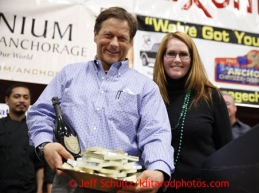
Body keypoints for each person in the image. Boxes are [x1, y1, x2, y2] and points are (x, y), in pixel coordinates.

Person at [26, 6, 174, 193]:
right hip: (68, 184)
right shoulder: (68, 75)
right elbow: (41, 113)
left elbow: (156, 134)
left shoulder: (146, 88)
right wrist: (45, 144)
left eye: (122, 38)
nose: (114, 43)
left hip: (122, 188)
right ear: (95, 34)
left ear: (130, 42)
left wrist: (159, 170)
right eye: (108, 35)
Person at [153, 31, 233, 192]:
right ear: (162, 58)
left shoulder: (210, 96)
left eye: (183, 54)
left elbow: (227, 152)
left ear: (192, 59)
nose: (177, 60)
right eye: (171, 54)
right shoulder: (150, 95)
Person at [0, 83, 45, 193]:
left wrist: (39, 190)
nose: (22, 100)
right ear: (7, 100)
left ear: (30, 101)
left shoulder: (36, 130)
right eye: (17, 96)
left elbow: (40, 165)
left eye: (26, 97)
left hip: (28, 189)